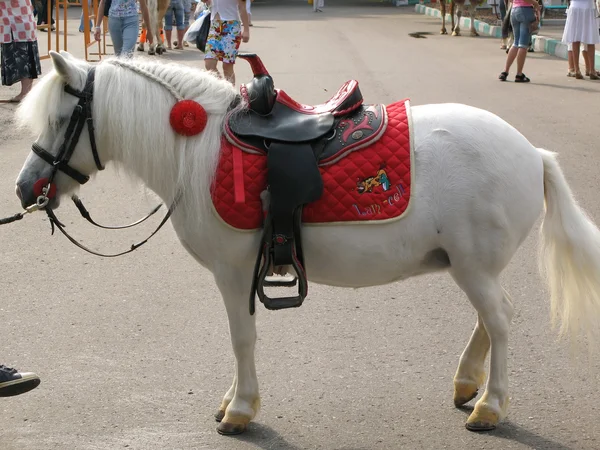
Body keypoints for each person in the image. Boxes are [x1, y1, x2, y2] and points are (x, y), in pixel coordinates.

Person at [0, 0, 42, 103]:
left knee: (25, 61)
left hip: (16, 25)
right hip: (18, 23)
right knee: (26, 59)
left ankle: (25, 93)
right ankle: (26, 93)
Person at [202, 0, 250, 85]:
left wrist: (246, 30)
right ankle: (223, 88)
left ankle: (230, 94)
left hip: (231, 27)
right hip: (215, 26)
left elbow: (242, 7)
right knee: (209, 63)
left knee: (227, 65)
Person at [498, 0, 540, 82]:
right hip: (526, 10)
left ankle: (505, 71)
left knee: (516, 43)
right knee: (523, 45)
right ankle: (519, 74)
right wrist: (535, 3)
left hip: (514, 10)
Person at [563, 0, 600, 79]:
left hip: (575, 6)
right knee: (590, 39)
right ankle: (591, 70)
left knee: (575, 39)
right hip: (588, 7)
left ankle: (577, 70)